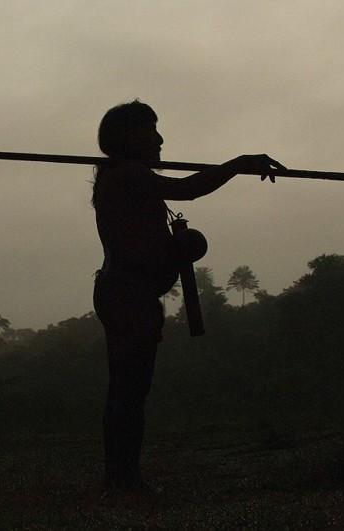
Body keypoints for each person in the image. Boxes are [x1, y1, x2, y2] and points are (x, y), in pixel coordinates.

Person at [92, 100, 284, 492]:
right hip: (128, 297)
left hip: (127, 294)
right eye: (151, 130)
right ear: (129, 137)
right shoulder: (129, 174)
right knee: (129, 392)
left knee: (127, 391)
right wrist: (239, 163)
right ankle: (123, 481)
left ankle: (121, 478)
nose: (160, 139)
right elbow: (187, 189)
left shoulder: (126, 176)